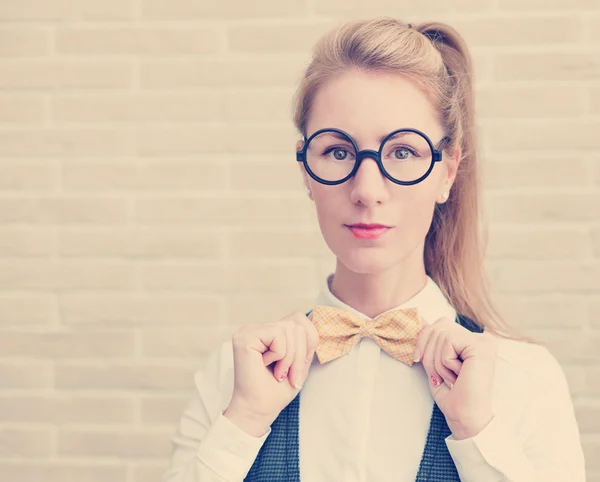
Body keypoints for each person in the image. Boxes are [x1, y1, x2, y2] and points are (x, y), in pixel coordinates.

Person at [161, 18, 586, 482]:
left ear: (448, 170)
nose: (367, 190)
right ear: (305, 167)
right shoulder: (232, 375)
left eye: (402, 152)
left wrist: (475, 432)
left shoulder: (524, 379)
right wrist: (242, 421)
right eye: (338, 152)